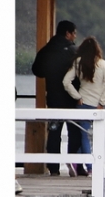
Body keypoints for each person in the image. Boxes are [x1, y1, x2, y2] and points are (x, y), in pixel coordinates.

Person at [31, 20, 79, 175]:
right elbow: (81, 76)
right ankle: (74, 165)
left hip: (53, 98)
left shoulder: (47, 49)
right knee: (75, 133)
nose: (75, 36)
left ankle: (53, 168)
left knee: (54, 133)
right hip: (71, 100)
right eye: (74, 33)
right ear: (68, 33)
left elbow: (37, 70)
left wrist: (51, 73)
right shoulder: (73, 51)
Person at [62, 36, 105, 175]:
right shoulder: (103, 65)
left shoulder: (78, 62)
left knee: (83, 136)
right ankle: (91, 166)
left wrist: (77, 96)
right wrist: (102, 102)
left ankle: (80, 163)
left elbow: (66, 81)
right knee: (98, 137)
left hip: (83, 103)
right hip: (98, 105)